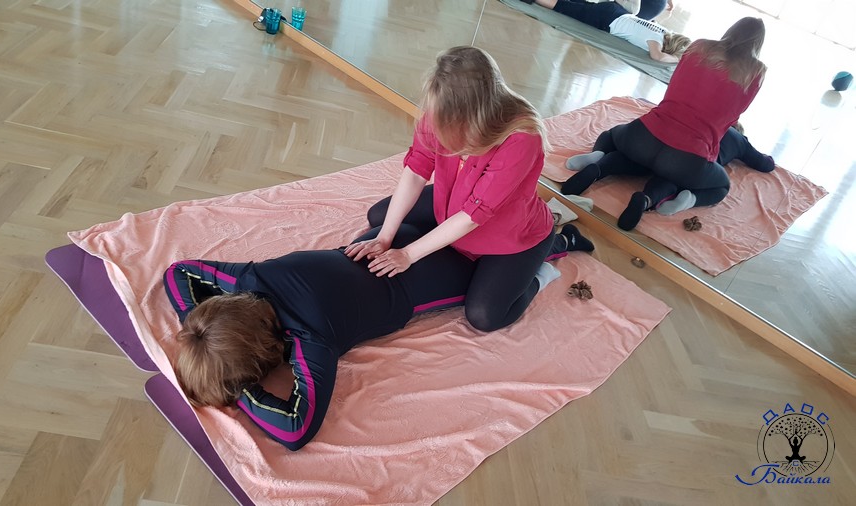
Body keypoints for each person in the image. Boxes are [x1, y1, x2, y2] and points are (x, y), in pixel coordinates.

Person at [163, 223, 585, 450]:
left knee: (489, 312)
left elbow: (294, 431)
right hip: (392, 239)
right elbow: (178, 272)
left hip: (431, 276)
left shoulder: (312, 336)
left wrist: (239, 392)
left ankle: (553, 245)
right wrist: (199, 324)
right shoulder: (251, 280)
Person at [344, 46, 595, 333]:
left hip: (509, 234)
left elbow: (472, 216)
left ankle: (556, 248)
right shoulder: (440, 111)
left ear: (474, 114)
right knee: (380, 217)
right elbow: (416, 171)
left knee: (484, 316)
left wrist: (409, 254)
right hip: (454, 204)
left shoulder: (522, 138)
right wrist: (386, 237)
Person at [560, 17, 768, 230]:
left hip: (643, 135)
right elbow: (736, 115)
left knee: (614, 137)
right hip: (686, 159)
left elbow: (678, 81)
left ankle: (598, 160)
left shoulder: (699, 46)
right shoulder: (755, 73)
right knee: (720, 186)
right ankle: (674, 200)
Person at [525, 0, 690, 62]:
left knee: (579, 5)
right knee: (564, 7)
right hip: (608, 19)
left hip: (617, 10)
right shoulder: (656, 42)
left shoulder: (662, 30)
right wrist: (677, 60)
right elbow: (657, 57)